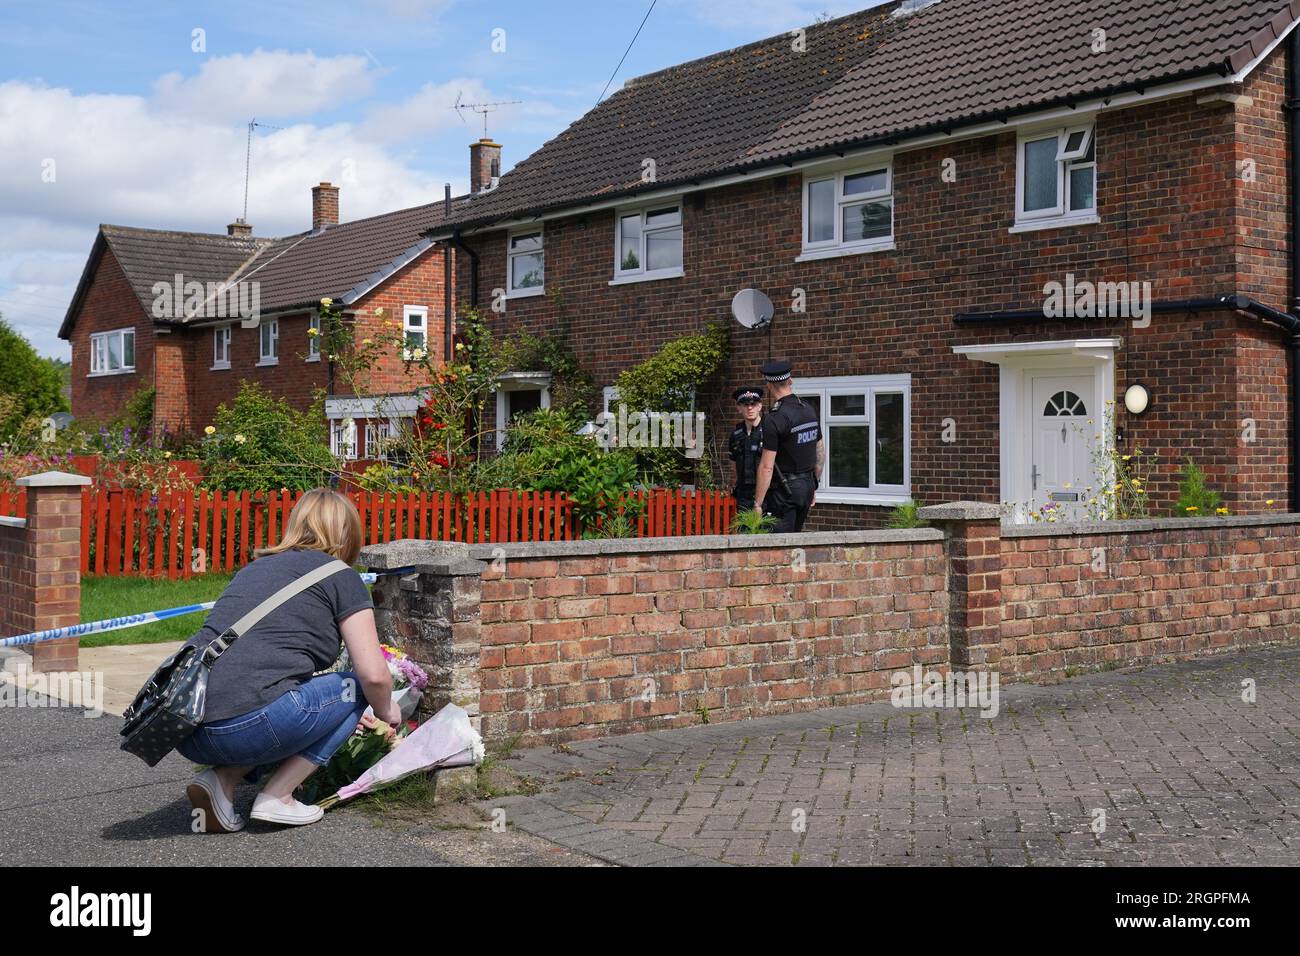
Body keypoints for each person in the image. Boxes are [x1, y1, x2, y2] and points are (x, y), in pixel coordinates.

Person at [176, 487, 402, 832]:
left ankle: (222, 781)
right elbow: (374, 675)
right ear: (348, 533)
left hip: (189, 730)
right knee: (354, 688)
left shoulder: (254, 569)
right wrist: (388, 711)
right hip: (246, 728)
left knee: (277, 694)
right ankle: (278, 796)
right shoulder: (341, 577)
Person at [752, 359, 824, 532]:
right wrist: (813, 486)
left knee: (778, 543)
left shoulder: (774, 418)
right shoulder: (808, 408)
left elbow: (767, 467)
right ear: (790, 381)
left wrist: (758, 504)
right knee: (795, 538)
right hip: (807, 485)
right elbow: (820, 452)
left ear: (769, 385)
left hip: (784, 492)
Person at [728, 386, 766, 511]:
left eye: (753, 404)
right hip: (743, 493)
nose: (750, 408)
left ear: (760, 406)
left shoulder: (769, 431)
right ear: (739, 408)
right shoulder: (736, 434)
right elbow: (733, 462)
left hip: (766, 493)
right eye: (745, 405)